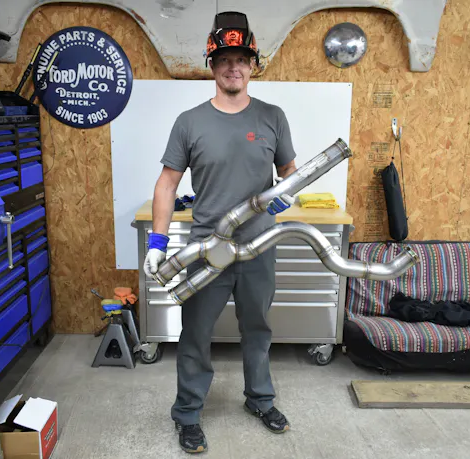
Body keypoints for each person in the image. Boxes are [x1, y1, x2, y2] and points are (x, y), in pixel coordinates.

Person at [143, 11, 298, 454]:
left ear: (253, 66)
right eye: (226, 59)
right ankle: (188, 414)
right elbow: (167, 184)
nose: (234, 67)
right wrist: (157, 242)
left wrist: (284, 197)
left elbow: (290, 172)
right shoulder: (189, 121)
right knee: (195, 333)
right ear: (212, 65)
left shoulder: (272, 117)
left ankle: (260, 399)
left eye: (242, 60)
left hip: (259, 246)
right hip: (206, 249)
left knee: (258, 329)